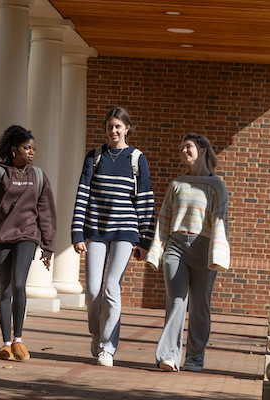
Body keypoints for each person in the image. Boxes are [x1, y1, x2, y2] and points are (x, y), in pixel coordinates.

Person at [71, 106, 155, 367]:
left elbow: (145, 199)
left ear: (127, 128)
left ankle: (108, 346)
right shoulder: (94, 156)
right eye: (110, 126)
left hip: (125, 231)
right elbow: (82, 194)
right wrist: (77, 232)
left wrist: (144, 239)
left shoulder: (136, 158)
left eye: (118, 126)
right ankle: (97, 333)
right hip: (95, 229)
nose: (114, 131)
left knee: (111, 288)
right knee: (93, 289)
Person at [146, 132, 230, 373]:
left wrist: (218, 255)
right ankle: (168, 356)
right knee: (176, 302)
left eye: (188, 147)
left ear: (203, 149)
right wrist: (156, 251)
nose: (184, 151)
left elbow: (220, 221)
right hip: (176, 249)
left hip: (204, 251)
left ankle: (195, 358)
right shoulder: (176, 183)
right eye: (182, 148)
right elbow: (163, 219)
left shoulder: (217, 185)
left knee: (200, 306)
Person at [0, 125, 56, 361]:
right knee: (4, 289)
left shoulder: (39, 176)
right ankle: (6, 343)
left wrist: (48, 246)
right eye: (26, 148)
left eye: (34, 149)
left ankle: (19, 339)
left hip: (28, 236)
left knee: (19, 283)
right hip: (2, 237)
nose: (31, 152)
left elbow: (46, 213)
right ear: (14, 150)